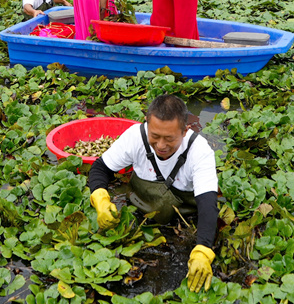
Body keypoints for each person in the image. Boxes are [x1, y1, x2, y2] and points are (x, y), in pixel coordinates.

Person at [88, 94, 219, 293]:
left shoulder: (199, 152)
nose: (161, 146)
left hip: (183, 219)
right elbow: (100, 168)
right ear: (147, 124)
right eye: (155, 136)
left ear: (184, 131)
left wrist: (203, 249)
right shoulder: (135, 136)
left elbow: (208, 205)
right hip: (140, 211)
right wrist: (100, 198)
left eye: (169, 139)